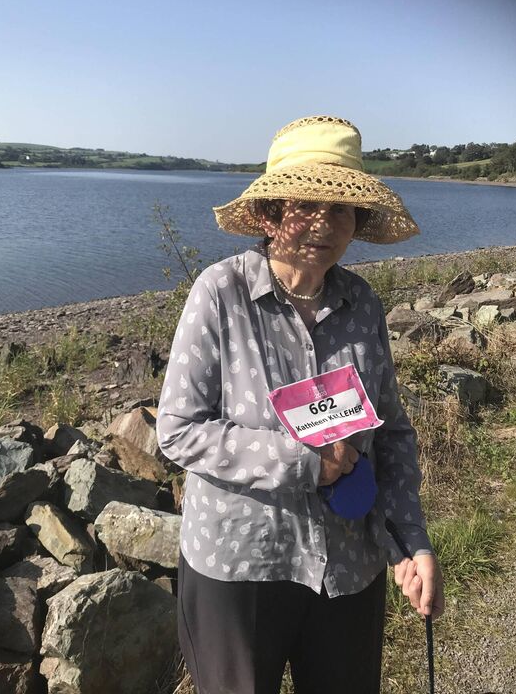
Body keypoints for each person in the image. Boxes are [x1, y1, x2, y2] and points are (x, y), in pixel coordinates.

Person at [156, 115, 444, 694]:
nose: (324, 223)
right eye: (306, 204)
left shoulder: (362, 303)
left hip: (348, 565)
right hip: (240, 563)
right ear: (269, 214)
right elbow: (179, 429)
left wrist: (409, 540)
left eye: (340, 208)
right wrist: (304, 460)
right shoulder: (221, 292)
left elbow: (390, 435)